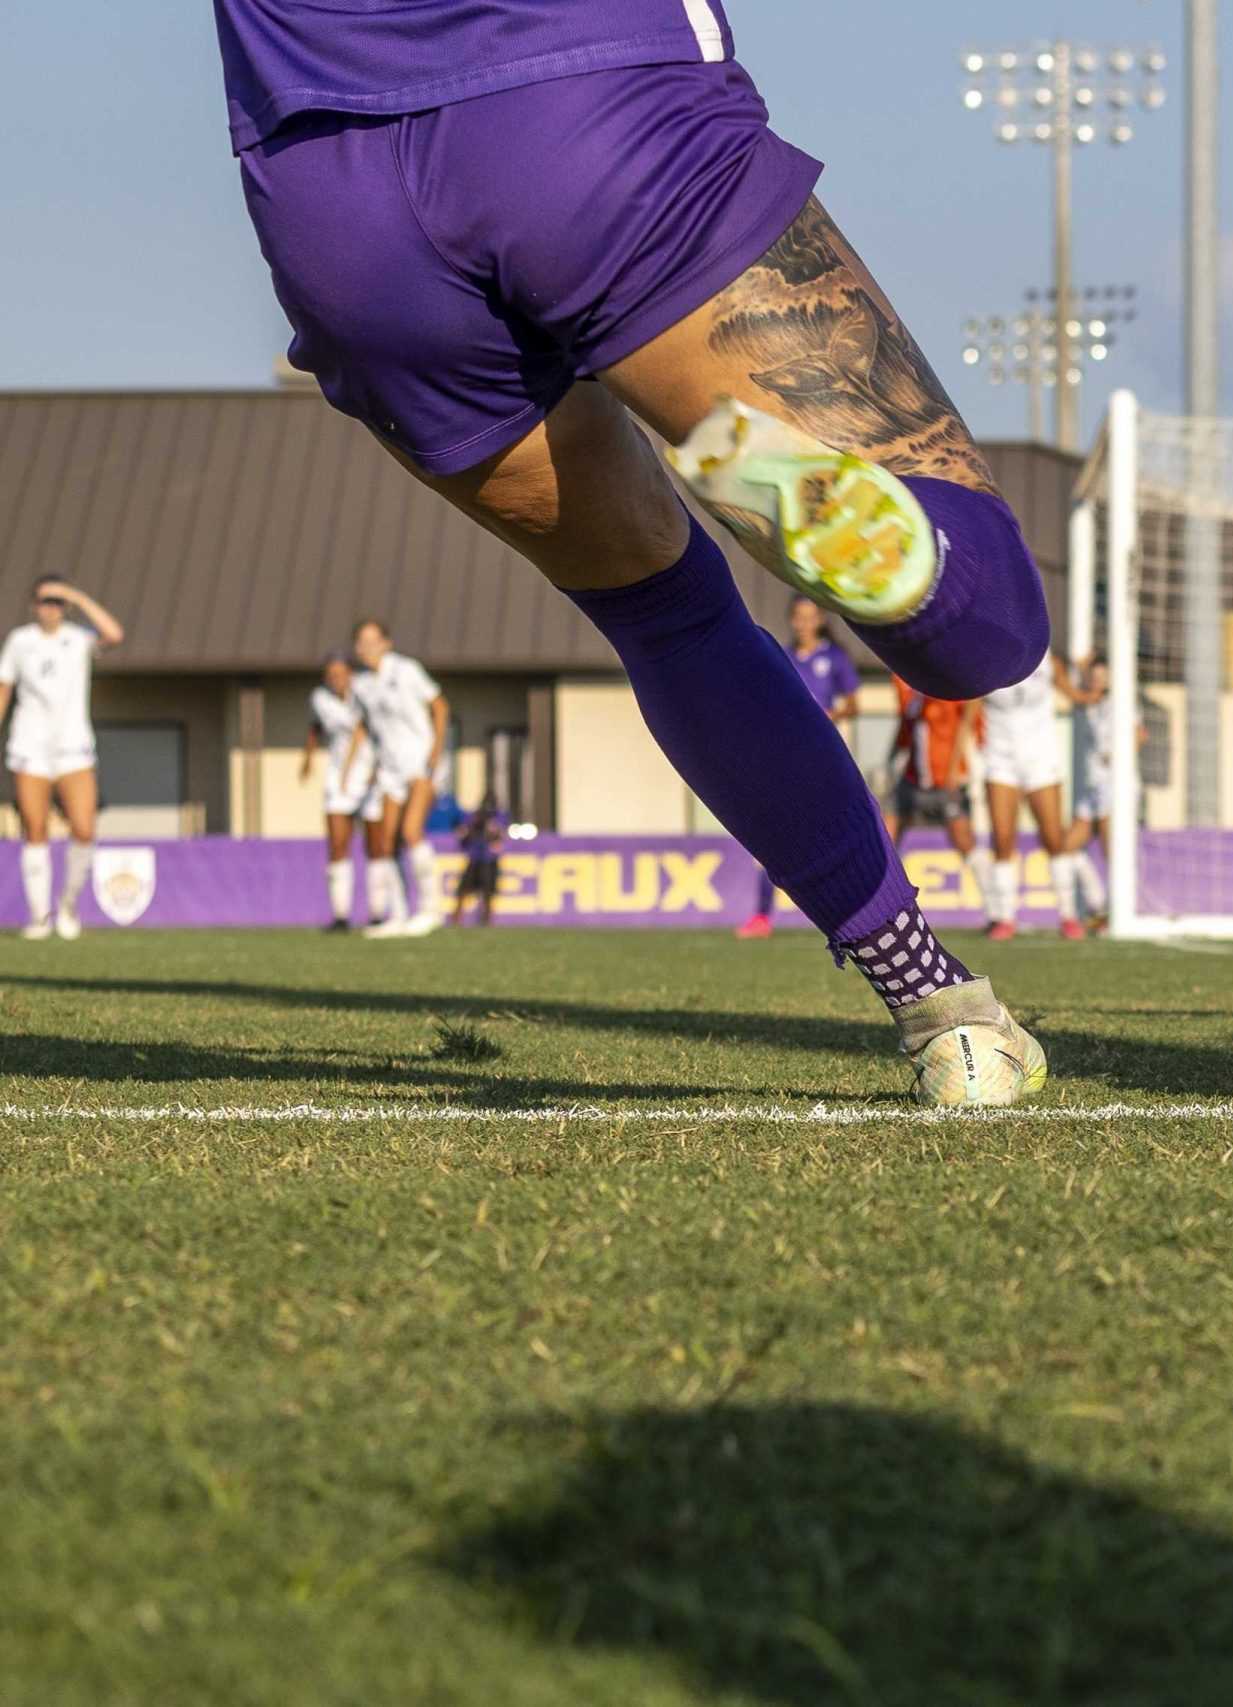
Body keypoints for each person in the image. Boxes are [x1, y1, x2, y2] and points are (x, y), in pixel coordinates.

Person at [216, 0, 1047, 1103]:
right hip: (588, 98)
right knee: (987, 633)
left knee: (666, 618)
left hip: (328, 186)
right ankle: (898, 557)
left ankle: (946, 1017)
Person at [0, 580, 124, 942]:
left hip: (74, 748)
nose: (50, 608)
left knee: (84, 829)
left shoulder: (79, 638)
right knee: (35, 831)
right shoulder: (20, 641)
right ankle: (40, 916)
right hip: (30, 747)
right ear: (34, 604)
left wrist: (78, 596)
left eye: (57, 601)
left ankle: (68, 905)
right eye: (44, 601)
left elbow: (114, 634)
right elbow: (4, 687)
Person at [738, 594, 861, 939]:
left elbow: (853, 705)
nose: (804, 623)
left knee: (831, 833)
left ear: (820, 619)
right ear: (792, 620)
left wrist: (830, 715)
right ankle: (762, 917)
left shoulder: (834, 658)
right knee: (773, 835)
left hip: (821, 755)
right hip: (783, 753)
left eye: (811, 617)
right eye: (799, 617)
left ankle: (847, 914)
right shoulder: (784, 656)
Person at [349, 619, 450, 938]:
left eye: (372, 641)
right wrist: (366, 767)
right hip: (389, 768)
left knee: (411, 831)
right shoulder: (361, 684)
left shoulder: (406, 670)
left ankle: (432, 910)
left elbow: (440, 706)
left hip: (419, 760)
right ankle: (399, 914)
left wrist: (435, 749)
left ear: (386, 643)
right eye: (361, 642)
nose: (366, 648)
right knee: (385, 839)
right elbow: (365, 727)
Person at [979, 652, 1090, 942]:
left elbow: (1074, 695)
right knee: (1002, 839)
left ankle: (1068, 916)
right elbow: (967, 708)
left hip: (1041, 759)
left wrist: (1092, 684)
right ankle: (1005, 918)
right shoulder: (982, 660)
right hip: (999, 759)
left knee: (1054, 838)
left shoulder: (1048, 660)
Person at [883, 678, 989, 904]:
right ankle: (879, 904)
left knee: (963, 840)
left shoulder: (951, 687)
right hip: (912, 780)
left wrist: (956, 769)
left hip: (946, 780)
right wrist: (890, 761)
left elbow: (971, 724)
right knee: (884, 837)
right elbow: (904, 727)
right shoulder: (907, 688)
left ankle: (997, 908)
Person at [1056, 653, 1134, 934]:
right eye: (1094, 675)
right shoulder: (1087, 703)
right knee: (1066, 847)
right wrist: (1078, 667)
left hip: (1111, 787)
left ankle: (1115, 914)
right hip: (1090, 788)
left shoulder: (1119, 703)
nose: (1098, 681)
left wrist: (1118, 757)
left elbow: (1138, 734)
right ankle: (1097, 903)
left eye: (1103, 676)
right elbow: (1074, 687)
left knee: (1112, 851)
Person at [300, 651, 374, 931]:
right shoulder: (320, 699)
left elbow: (362, 733)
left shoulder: (367, 694)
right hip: (339, 779)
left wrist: (354, 771)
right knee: (338, 844)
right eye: (331, 675)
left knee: (378, 846)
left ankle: (379, 913)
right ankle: (341, 915)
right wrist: (307, 758)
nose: (337, 680)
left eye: (341, 674)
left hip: (371, 775)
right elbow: (316, 727)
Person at [451, 797, 507, 927]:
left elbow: (499, 838)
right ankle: (456, 918)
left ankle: (487, 918)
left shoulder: (498, 818)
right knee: (463, 890)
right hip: (475, 858)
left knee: (488, 892)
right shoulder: (473, 819)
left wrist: (493, 831)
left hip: (489, 860)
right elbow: (463, 835)